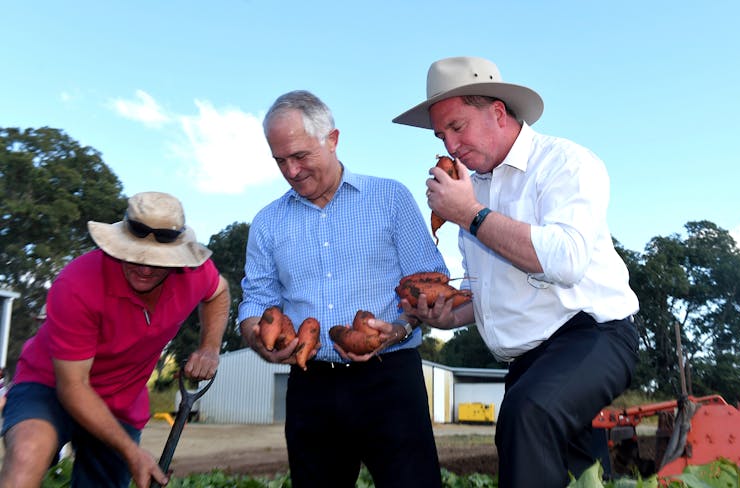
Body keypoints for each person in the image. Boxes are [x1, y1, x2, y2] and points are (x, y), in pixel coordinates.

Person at [393, 56, 640, 487]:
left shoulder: (565, 163)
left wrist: (469, 214)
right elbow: (491, 289)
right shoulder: (475, 189)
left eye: (458, 127)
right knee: (580, 473)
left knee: (527, 416)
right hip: (529, 362)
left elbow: (564, 259)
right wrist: (449, 316)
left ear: (498, 112)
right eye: (441, 135)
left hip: (593, 335)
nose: (449, 146)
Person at [238, 90, 447, 488]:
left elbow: (430, 282)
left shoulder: (389, 198)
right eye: (280, 160)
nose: (291, 170)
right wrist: (258, 338)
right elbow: (257, 300)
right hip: (311, 384)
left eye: (300, 156)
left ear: (332, 140)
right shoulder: (267, 223)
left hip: (391, 379)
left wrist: (400, 328)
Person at [0, 191, 230, 488]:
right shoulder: (77, 284)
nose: (145, 269)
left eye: (158, 261)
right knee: (27, 454)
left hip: (121, 399)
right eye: (136, 256)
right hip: (51, 385)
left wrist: (209, 347)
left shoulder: (194, 273)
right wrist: (131, 452)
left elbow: (219, 293)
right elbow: (73, 387)